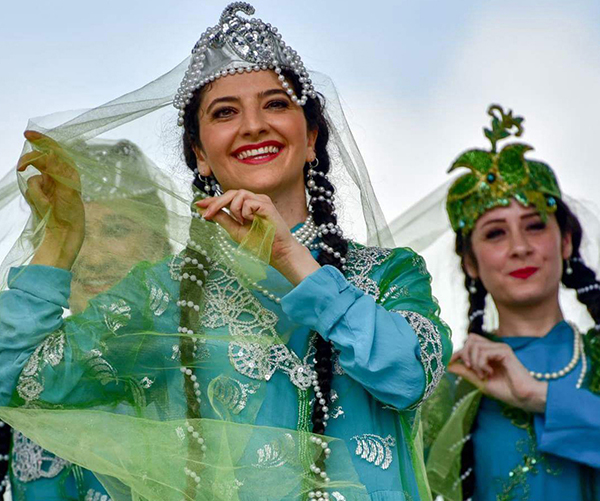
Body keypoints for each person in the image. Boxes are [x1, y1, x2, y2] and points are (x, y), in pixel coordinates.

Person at [0, 3, 452, 500]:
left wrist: (291, 258)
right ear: (200, 154)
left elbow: (409, 377)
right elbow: (20, 383)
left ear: (312, 138)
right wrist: (61, 239)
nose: (254, 125)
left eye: (276, 104)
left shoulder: (389, 274)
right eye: (225, 112)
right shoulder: (160, 294)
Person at [423, 105, 600, 501]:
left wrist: (538, 396)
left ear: (566, 241)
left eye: (535, 226)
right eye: (495, 234)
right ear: (470, 263)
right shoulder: (451, 383)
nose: (519, 248)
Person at [2, 139, 172, 501]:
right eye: (79, 231)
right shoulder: (25, 367)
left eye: (116, 231)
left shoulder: (197, 361)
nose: (92, 257)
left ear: (157, 242)